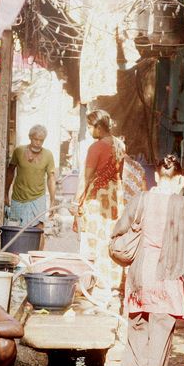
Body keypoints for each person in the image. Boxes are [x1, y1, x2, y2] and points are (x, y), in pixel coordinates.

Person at [113, 155, 184, 366]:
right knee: (162, 327)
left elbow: (119, 229)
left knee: (138, 322)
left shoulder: (140, 199)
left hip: (140, 272)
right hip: (167, 273)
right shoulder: (182, 204)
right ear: (180, 179)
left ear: (157, 177)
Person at [74, 110, 125, 308]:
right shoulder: (120, 145)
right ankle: (112, 284)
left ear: (99, 127)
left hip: (98, 197)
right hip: (115, 196)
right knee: (111, 237)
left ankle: (94, 283)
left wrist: (76, 200)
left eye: (90, 127)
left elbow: (85, 177)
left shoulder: (96, 147)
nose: (88, 131)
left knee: (94, 239)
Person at [6, 124, 57, 228]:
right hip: (19, 197)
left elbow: (51, 178)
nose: (38, 143)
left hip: (38, 197)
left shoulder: (48, 155)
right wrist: (5, 194)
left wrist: (52, 201)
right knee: (16, 229)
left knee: (38, 229)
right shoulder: (19, 151)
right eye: (35, 139)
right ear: (30, 137)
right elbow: (10, 171)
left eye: (41, 140)